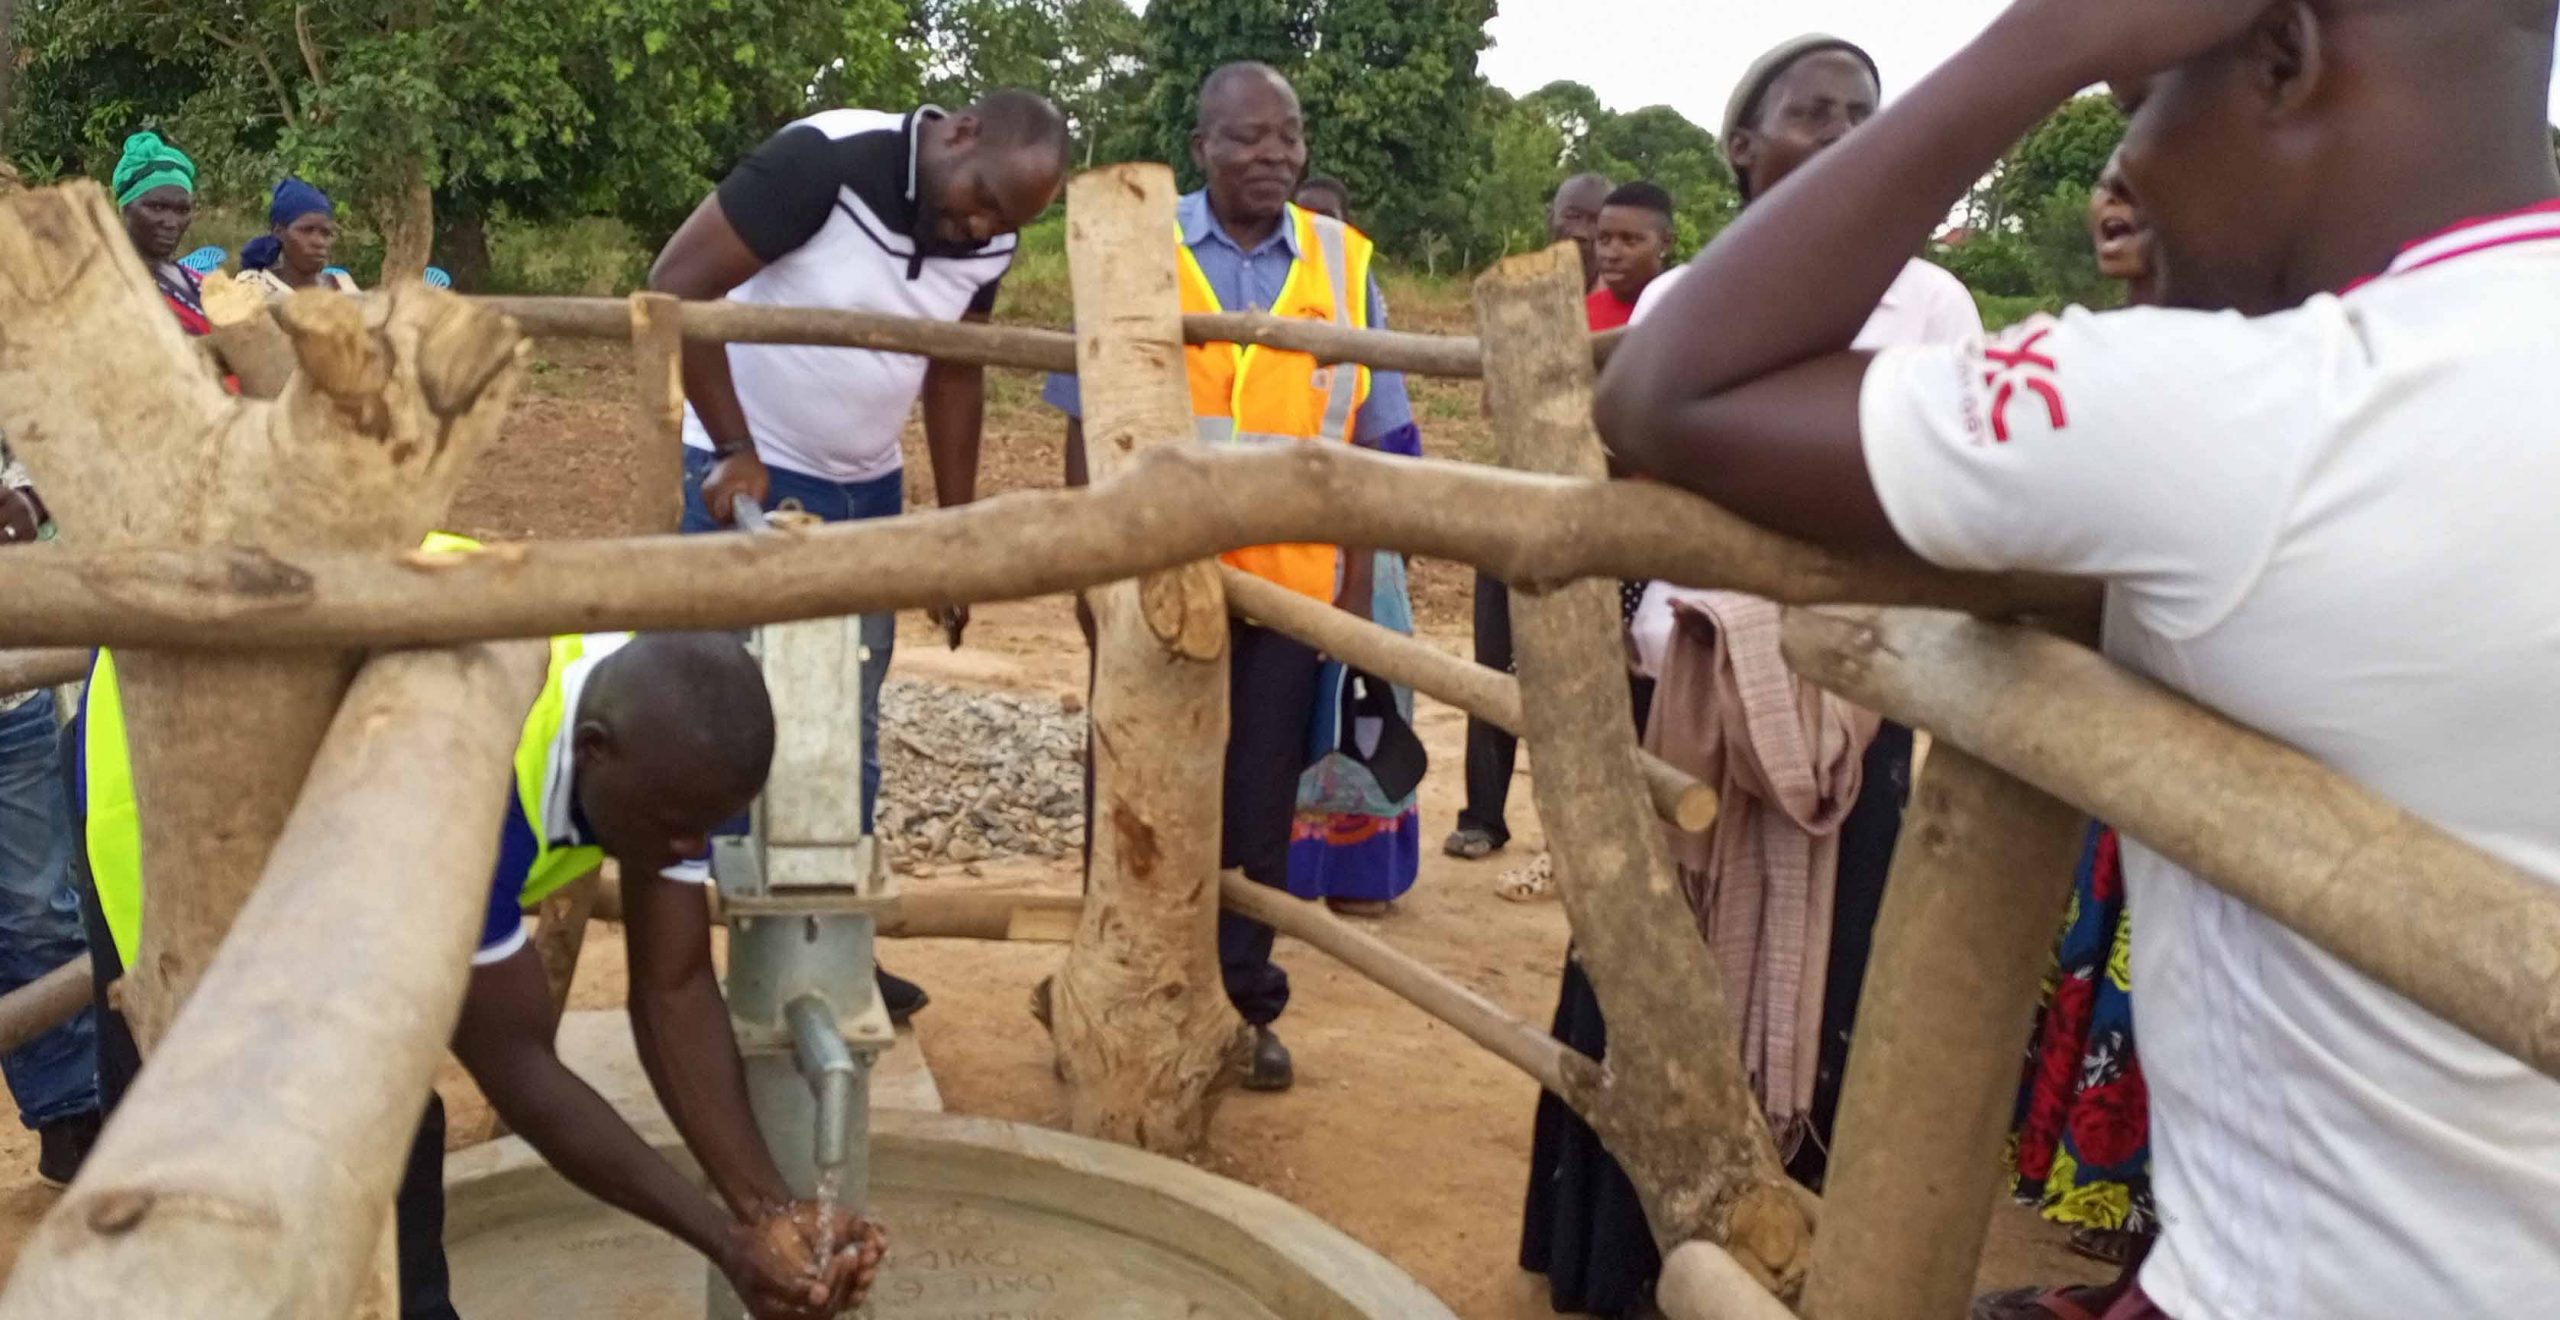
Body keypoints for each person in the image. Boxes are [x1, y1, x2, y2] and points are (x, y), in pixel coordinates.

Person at [1601, 0, 2560, 1316]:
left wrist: (2045, 39)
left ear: (2281, 60)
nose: (2130, 176)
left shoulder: (2247, 410)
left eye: (2135, 105)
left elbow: (1667, 389)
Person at [1519, 37, 1982, 1315]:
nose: (1844, 134)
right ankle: (1613, 1257)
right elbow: (1637, 490)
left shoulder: (1929, 307)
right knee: (1645, 949)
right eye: (1812, 112)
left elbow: (1935, 498)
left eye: (1866, 116)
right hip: (1683, 681)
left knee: (1830, 970)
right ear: (1741, 145)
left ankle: (1780, 1252)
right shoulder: (1682, 303)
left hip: (1854, 694)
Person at [75, 629, 882, 1320]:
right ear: (594, 748)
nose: (686, 850)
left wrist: (769, 1208)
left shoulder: (668, 737)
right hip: (178, 759)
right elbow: (520, 1068)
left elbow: (672, 988)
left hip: (346, 749)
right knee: (221, 1151)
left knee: (386, 1138)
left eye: (701, 832)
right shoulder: (466, 783)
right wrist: (728, 1245)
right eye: (676, 832)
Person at [651, 90, 1070, 1026]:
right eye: (980, 198)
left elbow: (954, 367)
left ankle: (831, 955)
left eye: (1005, 219)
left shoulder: (990, 237)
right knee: (717, 711)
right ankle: (692, 970)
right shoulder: (823, 164)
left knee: (847, 720)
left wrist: (953, 538)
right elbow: (677, 286)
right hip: (748, 473)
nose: (981, 224)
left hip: (867, 492)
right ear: (958, 133)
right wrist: (730, 448)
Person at [1045, 62, 1414, 1092]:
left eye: (1289, 137)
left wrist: (1353, 585)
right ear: (1201, 144)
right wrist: (1091, 572)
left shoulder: (1342, 262)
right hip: (1158, 588)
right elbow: (1082, 423)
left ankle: (1240, 1008)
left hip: (1292, 586)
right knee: (1129, 786)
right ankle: (1106, 991)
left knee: (1256, 809)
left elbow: (1371, 442)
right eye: (1250, 139)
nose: (1276, 157)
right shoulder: (1140, 248)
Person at [1980, 150, 2161, 1320]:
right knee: (2141, 1017)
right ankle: (2148, 1276)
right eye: (2107, 170)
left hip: (2225, 768)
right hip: (2123, 756)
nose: (2117, 194)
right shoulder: (2096, 363)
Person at [1446, 170, 1617, 866]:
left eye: (1593, 224)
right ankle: (1483, 816)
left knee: (1593, 678)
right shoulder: (1518, 300)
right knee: (1495, 669)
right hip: (1516, 509)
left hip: (1600, 523)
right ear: (1549, 219)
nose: (1576, 234)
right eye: (1567, 218)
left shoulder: (1628, 310)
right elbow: (1494, 406)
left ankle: (1584, 835)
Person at [1283, 176, 1425, 921]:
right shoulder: (1263, 304)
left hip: (1358, 542)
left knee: (1368, 695)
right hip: (1276, 543)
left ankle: (1361, 873)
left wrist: (1364, 574)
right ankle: (1296, 871)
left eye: (1327, 223)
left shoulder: (1357, 296)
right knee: (1295, 710)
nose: (1315, 236)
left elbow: (1385, 442)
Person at [0, 436, 101, 1188]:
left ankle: (74, 1116)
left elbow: (44, 435)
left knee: (38, 910)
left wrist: (28, 500)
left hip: (8, 687)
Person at [113, 132, 209, 335]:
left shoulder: (195, 284)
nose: (172, 223)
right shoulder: (102, 287)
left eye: (182, 211)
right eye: (157, 207)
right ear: (125, 208)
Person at [236, 177, 360, 298]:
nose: (319, 242)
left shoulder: (342, 285)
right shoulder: (253, 288)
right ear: (279, 232)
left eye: (326, 233)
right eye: (306, 230)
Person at [1587, 182, 1675, 330]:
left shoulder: (1689, 308)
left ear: (1665, 243)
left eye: (1629, 240)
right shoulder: (1579, 318)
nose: (1611, 254)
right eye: (1603, 239)